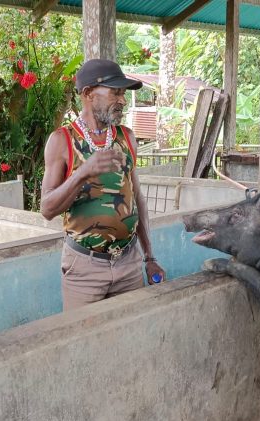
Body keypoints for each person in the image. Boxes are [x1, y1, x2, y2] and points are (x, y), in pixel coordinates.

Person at [40, 58, 166, 310]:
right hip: (84, 268)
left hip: (128, 263)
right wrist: (82, 174)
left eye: (122, 93)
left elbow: (136, 198)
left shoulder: (126, 137)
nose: (121, 100)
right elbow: (47, 209)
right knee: (82, 341)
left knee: (131, 337)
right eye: (115, 92)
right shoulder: (61, 140)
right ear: (88, 94)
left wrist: (149, 256)